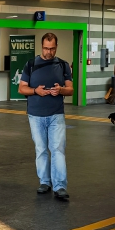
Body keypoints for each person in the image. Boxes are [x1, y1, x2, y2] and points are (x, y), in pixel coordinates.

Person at [18, 33, 74, 201]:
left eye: (52, 48)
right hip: (35, 115)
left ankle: (60, 186)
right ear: (41, 46)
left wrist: (61, 90)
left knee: (57, 149)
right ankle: (44, 182)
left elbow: (70, 89)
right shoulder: (31, 64)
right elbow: (22, 89)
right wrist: (36, 91)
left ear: (56, 47)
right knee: (41, 150)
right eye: (46, 48)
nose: (49, 52)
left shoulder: (63, 65)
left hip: (56, 114)